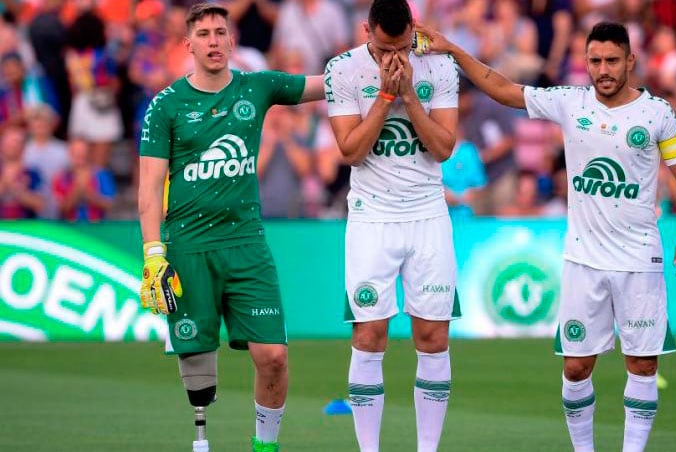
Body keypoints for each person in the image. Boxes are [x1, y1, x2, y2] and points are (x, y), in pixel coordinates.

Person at [418, 20, 676, 452]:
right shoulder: (571, 102)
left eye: (611, 60)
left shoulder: (656, 113)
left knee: (642, 363)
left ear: (630, 60)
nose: (603, 69)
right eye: (594, 61)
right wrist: (454, 50)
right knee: (575, 367)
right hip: (583, 260)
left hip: (639, 259)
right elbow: (506, 89)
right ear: (585, 63)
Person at [137, 4, 323, 452]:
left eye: (221, 32)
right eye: (204, 34)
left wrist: (375, 58)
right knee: (198, 366)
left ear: (232, 40)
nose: (214, 41)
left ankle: (265, 446)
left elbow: (326, 84)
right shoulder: (166, 105)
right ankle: (202, 440)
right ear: (189, 44)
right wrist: (152, 253)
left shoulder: (257, 87)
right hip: (189, 247)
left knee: (273, 357)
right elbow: (149, 188)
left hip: (246, 245)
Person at [325, 1, 460, 451]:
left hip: (427, 215)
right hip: (372, 217)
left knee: (433, 335)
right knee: (368, 333)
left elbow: (443, 148)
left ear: (413, 31)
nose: (393, 58)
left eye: (400, 47)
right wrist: (384, 97)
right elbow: (350, 151)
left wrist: (409, 97)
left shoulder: (439, 65)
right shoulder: (342, 69)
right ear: (367, 32)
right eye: (383, 49)